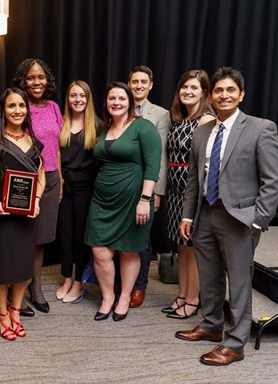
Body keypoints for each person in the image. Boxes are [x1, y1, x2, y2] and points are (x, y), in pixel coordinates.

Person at [176, 67, 278, 366]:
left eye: (230, 90)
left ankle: (235, 344)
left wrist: (258, 219)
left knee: (238, 283)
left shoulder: (261, 128)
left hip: (240, 220)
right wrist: (187, 216)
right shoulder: (202, 131)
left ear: (241, 95)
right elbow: (194, 180)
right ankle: (211, 326)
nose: (224, 95)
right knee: (209, 278)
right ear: (211, 96)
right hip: (205, 214)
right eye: (219, 91)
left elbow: (273, 180)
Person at [85, 82, 161, 322]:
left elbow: (152, 165)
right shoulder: (105, 129)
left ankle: (125, 297)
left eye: (121, 98)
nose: (116, 102)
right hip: (102, 200)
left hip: (133, 199)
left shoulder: (143, 127)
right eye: (111, 99)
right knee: (99, 250)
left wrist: (145, 199)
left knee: (128, 251)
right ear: (106, 103)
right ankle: (107, 297)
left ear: (130, 102)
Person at [0, 87, 45, 340]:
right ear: (3, 110)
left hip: (27, 215)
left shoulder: (33, 142)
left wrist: (36, 199)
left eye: (21, 106)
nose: (17, 111)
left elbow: (41, 175)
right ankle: (2, 314)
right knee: (4, 268)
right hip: (3, 214)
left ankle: (16, 311)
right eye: (12, 106)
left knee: (23, 268)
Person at [11, 59, 63, 315]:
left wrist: (60, 178)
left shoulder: (53, 107)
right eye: (31, 78)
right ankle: (15, 292)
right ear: (23, 80)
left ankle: (37, 289)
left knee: (41, 238)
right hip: (25, 179)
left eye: (40, 77)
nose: (36, 82)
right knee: (22, 237)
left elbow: (56, 147)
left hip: (51, 179)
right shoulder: (18, 106)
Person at [163, 70, 215, 319]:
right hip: (174, 189)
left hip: (190, 190)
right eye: (184, 87)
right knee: (181, 246)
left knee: (191, 247)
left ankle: (193, 300)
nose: (187, 92)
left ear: (204, 93)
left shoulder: (205, 119)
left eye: (194, 88)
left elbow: (205, 162)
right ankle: (182, 295)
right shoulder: (180, 118)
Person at [127, 65, 171, 308]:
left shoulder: (160, 114)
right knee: (122, 234)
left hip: (147, 184)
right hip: (124, 184)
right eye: (135, 81)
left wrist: (157, 191)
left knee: (142, 237)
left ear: (151, 85)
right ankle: (123, 281)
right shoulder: (120, 106)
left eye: (144, 81)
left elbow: (161, 155)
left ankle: (139, 285)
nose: (139, 86)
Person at [55, 80, 100, 303]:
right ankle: (66, 277)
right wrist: (60, 182)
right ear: (68, 99)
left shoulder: (97, 126)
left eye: (82, 95)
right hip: (64, 186)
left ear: (88, 98)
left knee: (81, 235)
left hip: (86, 187)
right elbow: (55, 156)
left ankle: (79, 281)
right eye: (73, 95)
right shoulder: (60, 123)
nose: (78, 100)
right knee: (64, 234)